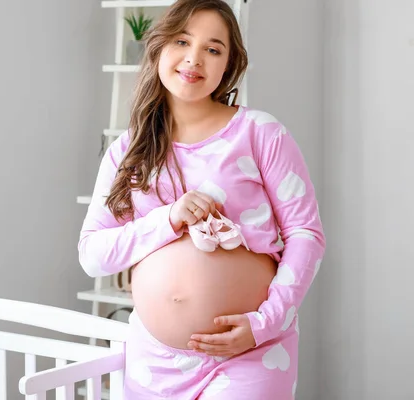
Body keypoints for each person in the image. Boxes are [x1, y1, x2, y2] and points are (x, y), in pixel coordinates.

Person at [78, 0, 325, 398]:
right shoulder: (127, 152)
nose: (194, 59)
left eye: (213, 49)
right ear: (158, 48)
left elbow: (306, 234)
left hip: (250, 352)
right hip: (154, 360)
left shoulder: (261, 133)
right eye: (181, 41)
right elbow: (92, 254)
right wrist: (168, 218)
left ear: (228, 65)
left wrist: (266, 323)